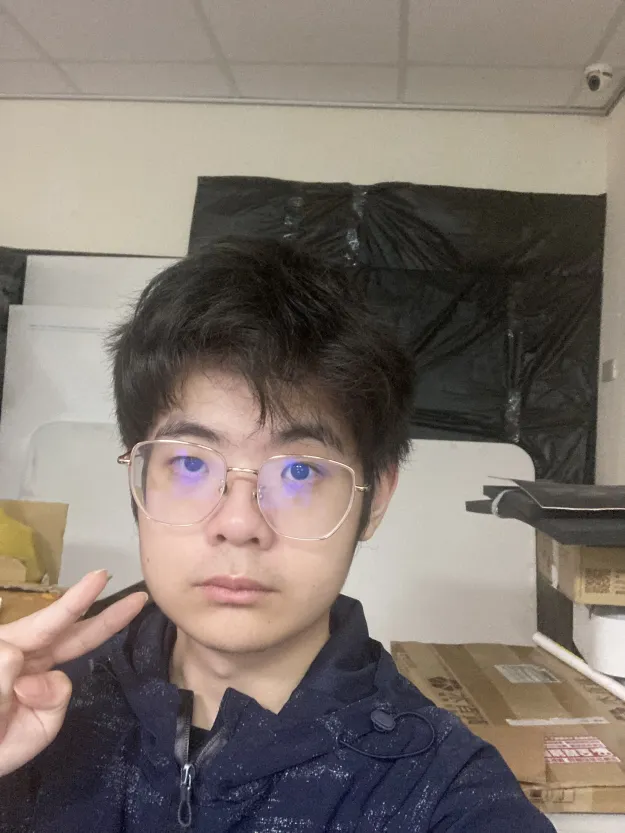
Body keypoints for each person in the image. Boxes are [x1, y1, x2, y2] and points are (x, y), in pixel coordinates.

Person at [0, 239, 555, 832]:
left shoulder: (441, 793)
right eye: (191, 463)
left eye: (299, 472)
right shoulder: (31, 706)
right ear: (138, 478)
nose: (239, 524)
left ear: (375, 500)